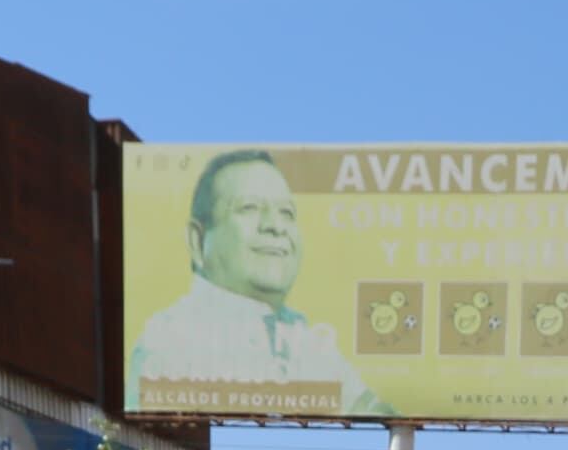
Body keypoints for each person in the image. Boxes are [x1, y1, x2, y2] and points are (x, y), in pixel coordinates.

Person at [126, 149, 391, 415]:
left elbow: (373, 411)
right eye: (249, 208)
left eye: (286, 213)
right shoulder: (170, 341)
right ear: (198, 240)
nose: (276, 226)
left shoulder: (304, 339)